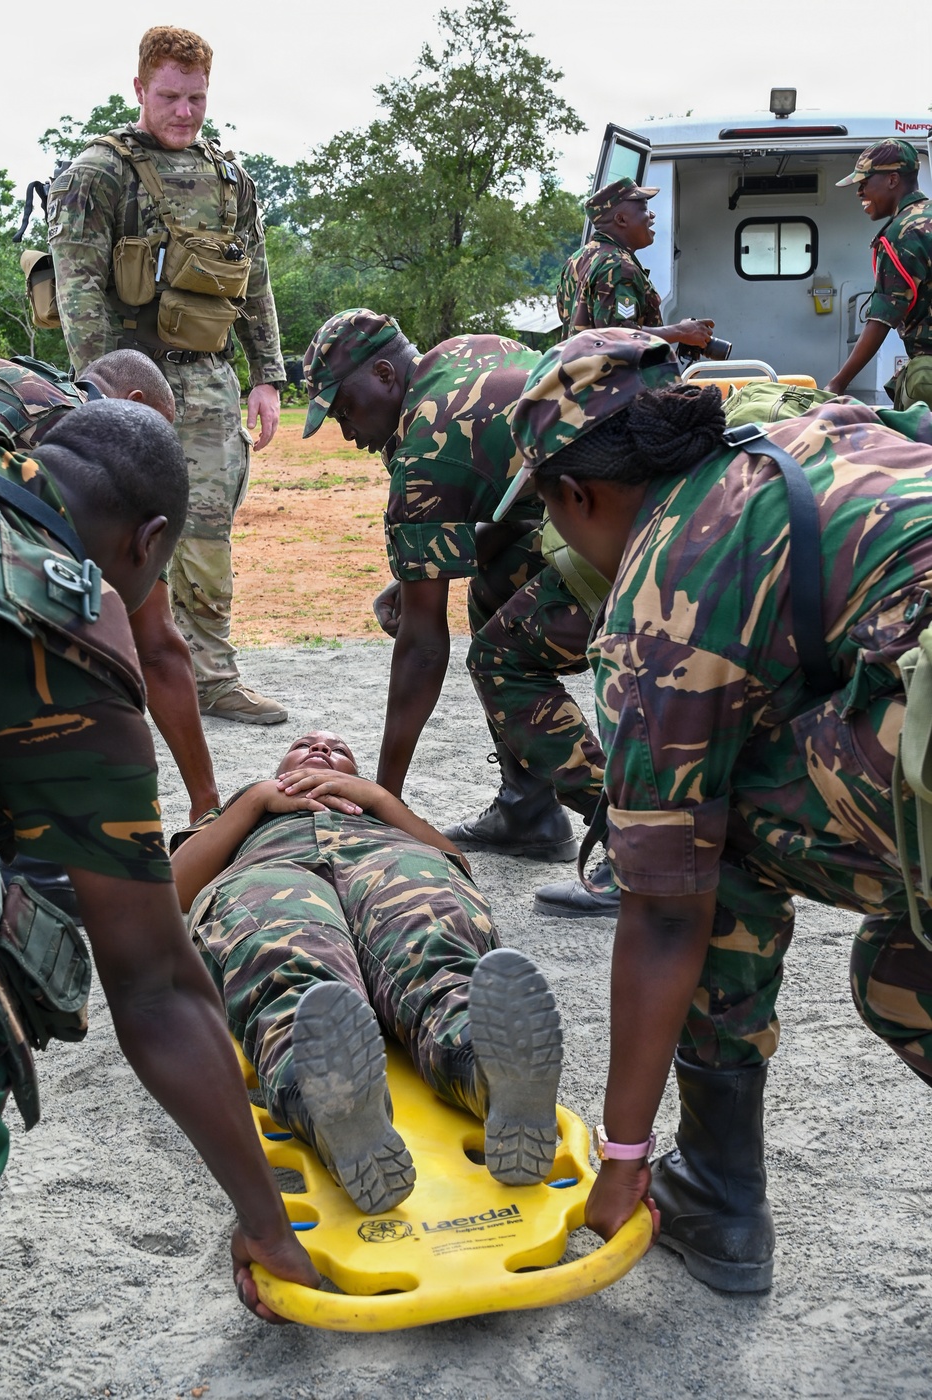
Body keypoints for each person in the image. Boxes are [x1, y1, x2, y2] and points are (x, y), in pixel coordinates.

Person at [493, 326, 932, 1293]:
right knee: (904, 964)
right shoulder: (819, 430)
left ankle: (721, 1197)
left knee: (704, 833)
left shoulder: (666, 599)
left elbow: (661, 909)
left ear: (577, 495)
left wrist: (619, 1158)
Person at [0, 400, 319, 1363]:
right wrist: (269, 1229)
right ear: (149, 545)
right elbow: (156, 986)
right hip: (277, 880)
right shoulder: (63, 641)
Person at [301, 309, 619, 918]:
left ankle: (635, 836)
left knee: (500, 659)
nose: (347, 432)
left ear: (386, 374)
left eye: (345, 409)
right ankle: (528, 808)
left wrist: (382, 797)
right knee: (492, 585)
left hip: (652, 552)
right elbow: (510, 498)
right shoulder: (465, 351)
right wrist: (415, 572)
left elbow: (422, 645)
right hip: (656, 515)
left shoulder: (423, 452)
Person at [171, 729, 564, 1214]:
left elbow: (457, 865)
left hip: (390, 861)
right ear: (279, 769)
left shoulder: (381, 810)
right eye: (306, 745)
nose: (321, 749)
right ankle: (337, 1111)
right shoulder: (241, 808)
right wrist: (254, 802)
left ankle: (492, 1073)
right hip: (272, 870)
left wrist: (381, 798)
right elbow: (173, 888)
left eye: (339, 750)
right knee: (288, 961)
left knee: (430, 941)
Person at [47, 25, 288, 725]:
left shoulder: (230, 179)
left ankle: (212, 675)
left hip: (209, 383)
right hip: (124, 385)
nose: (185, 111)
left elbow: (256, 282)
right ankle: (101, 671)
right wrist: (105, 395)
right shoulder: (99, 172)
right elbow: (79, 290)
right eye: (171, 96)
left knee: (208, 531)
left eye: (197, 98)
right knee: (109, 530)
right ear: (140, 90)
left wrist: (268, 375)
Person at [0, 349, 219, 824]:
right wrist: (207, 803)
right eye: (161, 429)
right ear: (133, 402)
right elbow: (156, 648)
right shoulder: (103, 451)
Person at [826, 139, 932, 410]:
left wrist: (837, 384)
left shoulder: (902, 233)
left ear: (892, 180)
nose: (859, 192)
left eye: (864, 182)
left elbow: (883, 317)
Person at [556, 177, 714, 349]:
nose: (652, 215)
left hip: (576, 373)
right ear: (621, 220)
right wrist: (680, 332)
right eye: (644, 209)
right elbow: (618, 337)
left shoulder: (576, 260)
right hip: (614, 376)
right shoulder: (619, 267)